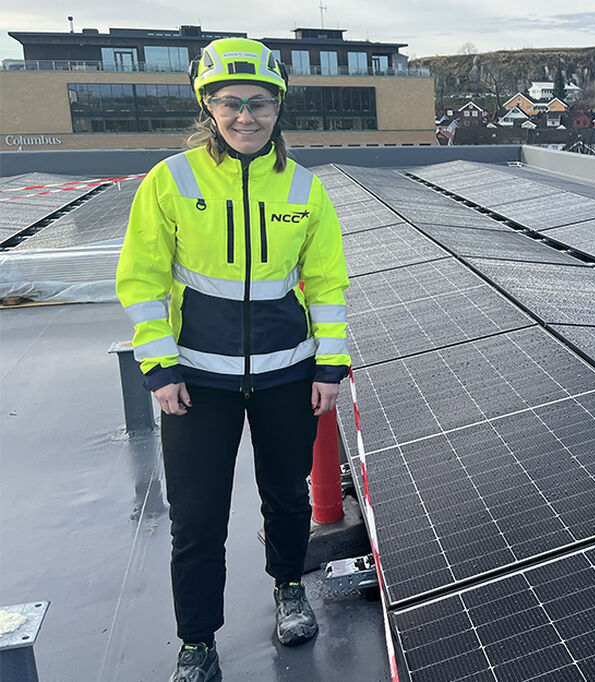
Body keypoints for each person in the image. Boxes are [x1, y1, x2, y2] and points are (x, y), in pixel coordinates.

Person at [115, 37, 350, 682]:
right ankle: (197, 641)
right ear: (208, 106)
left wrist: (330, 365)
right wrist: (159, 367)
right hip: (196, 383)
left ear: (278, 108)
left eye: (261, 103)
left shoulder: (305, 186)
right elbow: (142, 281)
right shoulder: (171, 180)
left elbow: (326, 283)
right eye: (231, 103)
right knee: (196, 515)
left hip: (287, 374)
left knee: (286, 496)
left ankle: (289, 589)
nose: (247, 116)